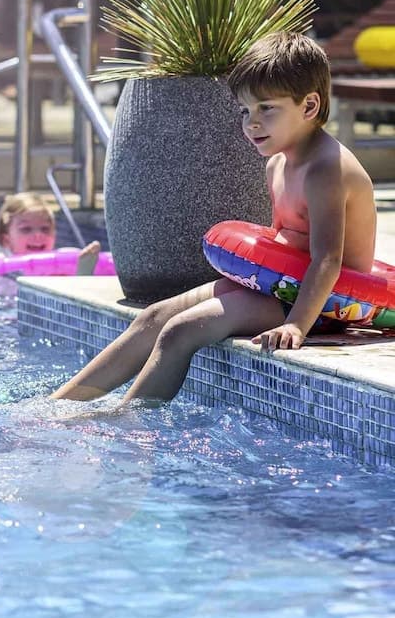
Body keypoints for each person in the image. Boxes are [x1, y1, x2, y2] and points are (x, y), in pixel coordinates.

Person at [51, 31, 377, 404]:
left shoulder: (326, 170)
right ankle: (60, 407)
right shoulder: (278, 164)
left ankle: (126, 422)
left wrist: (296, 325)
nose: (252, 123)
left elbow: (328, 259)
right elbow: (283, 244)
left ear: (309, 106)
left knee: (181, 330)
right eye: (245, 111)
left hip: (328, 302)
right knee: (153, 317)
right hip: (283, 287)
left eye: (266, 108)